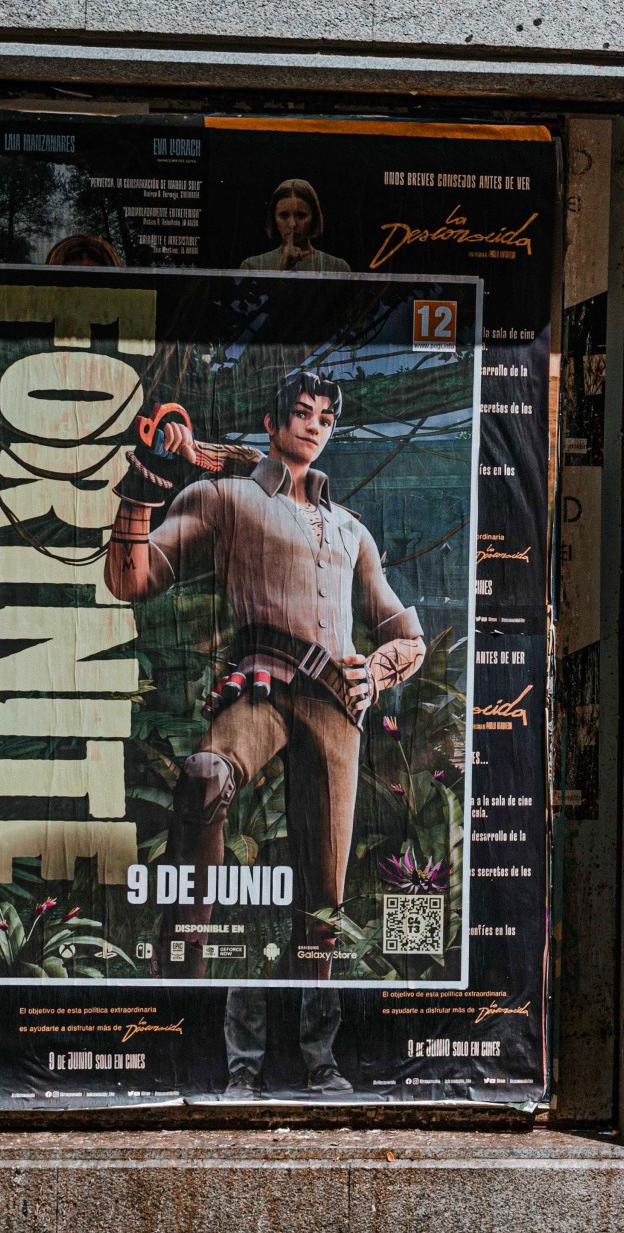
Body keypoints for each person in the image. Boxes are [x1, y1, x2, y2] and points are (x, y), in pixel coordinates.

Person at [107, 372, 425, 1006]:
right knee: (203, 776)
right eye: (301, 413)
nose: (313, 425)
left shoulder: (351, 531)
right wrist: (143, 482)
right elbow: (130, 578)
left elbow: (406, 633)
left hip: (337, 701)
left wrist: (380, 669)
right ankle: (181, 996)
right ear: (273, 423)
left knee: (324, 903)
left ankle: (311, 1051)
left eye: (325, 418)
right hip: (262, 680)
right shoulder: (225, 497)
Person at [238, 178, 351, 273]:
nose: (292, 224)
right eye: (284, 215)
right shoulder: (252, 266)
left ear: (314, 217)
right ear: (274, 218)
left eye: (301, 215)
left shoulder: (337, 267)